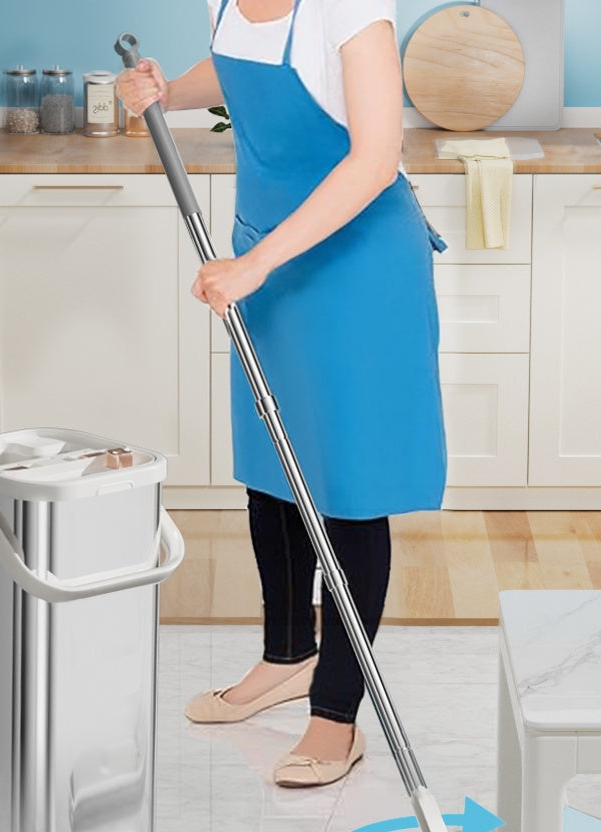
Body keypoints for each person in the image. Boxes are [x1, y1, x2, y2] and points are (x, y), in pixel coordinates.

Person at [118, 0, 446, 788]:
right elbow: (247, 64)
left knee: (349, 487)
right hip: (264, 255)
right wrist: (169, 91)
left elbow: (375, 159)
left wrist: (257, 265)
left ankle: (336, 713)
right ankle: (287, 655)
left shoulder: (350, 8)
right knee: (273, 468)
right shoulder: (226, 2)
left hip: (352, 262)